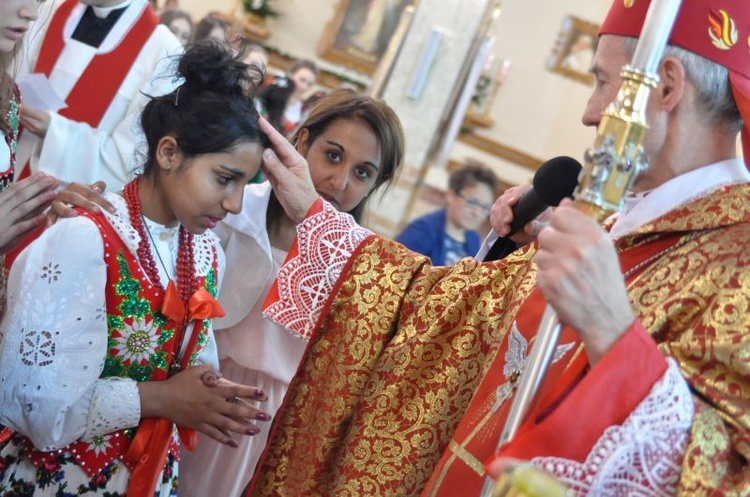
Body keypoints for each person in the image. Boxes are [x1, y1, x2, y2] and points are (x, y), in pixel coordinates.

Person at [243, 0, 750, 495]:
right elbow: (439, 308)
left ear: (664, 86)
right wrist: (317, 218)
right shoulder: (617, 224)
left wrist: (614, 333)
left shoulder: (738, 265)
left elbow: (726, 475)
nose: (591, 115)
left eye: (601, 81)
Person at [0, 42, 272, 496]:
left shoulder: (207, 252)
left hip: (146, 477)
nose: (234, 203)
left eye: (245, 184)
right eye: (224, 178)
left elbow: (184, 358)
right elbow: (31, 401)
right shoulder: (85, 238)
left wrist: (210, 393)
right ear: (168, 153)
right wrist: (164, 398)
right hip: (61, 477)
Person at [177, 88, 405, 497]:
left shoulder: (363, 266)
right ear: (302, 143)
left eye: (363, 173)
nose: (340, 181)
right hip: (191, 385)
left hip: (274, 422)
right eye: (332, 156)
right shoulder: (233, 209)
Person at [15, 0, 182, 190]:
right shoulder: (49, 10)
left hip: (71, 209)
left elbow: (130, 164)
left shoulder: (164, 52)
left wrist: (54, 131)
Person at [396, 162, 499, 265]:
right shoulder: (422, 231)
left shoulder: (473, 239)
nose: (477, 213)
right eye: (472, 202)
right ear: (450, 195)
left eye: (485, 207)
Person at [282, 59, 318, 134]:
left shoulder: (303, 111)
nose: (304, 87)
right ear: (291, 74)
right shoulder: (271, 95)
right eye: (302, 80)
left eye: (309, 84)